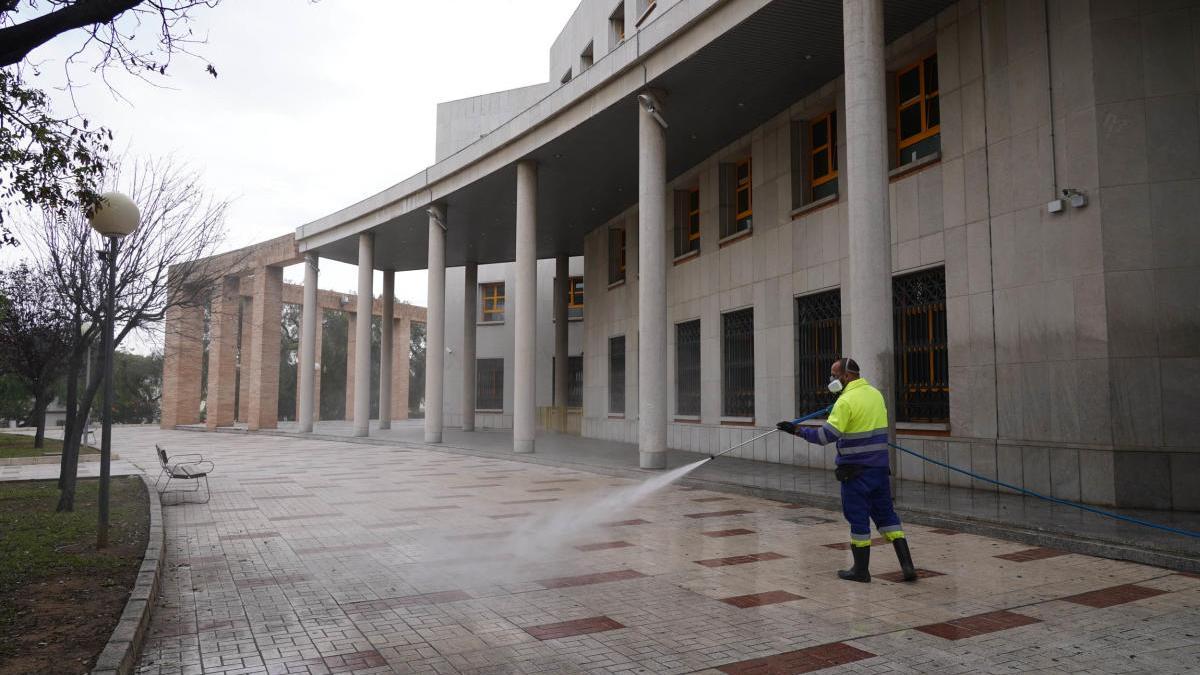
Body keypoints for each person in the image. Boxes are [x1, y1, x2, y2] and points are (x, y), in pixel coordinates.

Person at [776, 357, 916, 583]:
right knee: (888, 517)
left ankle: (860, 571)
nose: (831, 379)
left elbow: (825, 436)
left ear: (847, 376)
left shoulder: (846, 401)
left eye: (834, 374)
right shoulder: (875, 394)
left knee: (858, 519)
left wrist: (796, 430)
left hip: (855, 473)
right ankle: (907, 566)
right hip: (880, 470)